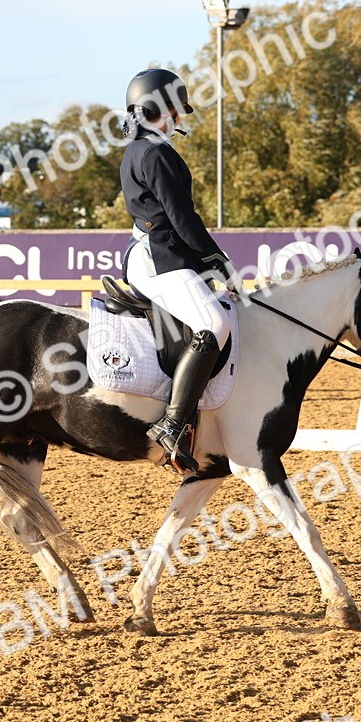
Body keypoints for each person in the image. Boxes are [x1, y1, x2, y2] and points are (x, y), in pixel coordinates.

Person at [119, 67, 237, 475]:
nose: (180, 118)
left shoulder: (141, 149)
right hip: (160, 257)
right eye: (176, 110)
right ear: (159, 108)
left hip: (157, 253)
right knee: (214, 323)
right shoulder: (155, 152)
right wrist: (219, 262)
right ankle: (172, 424)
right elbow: (182, 218)